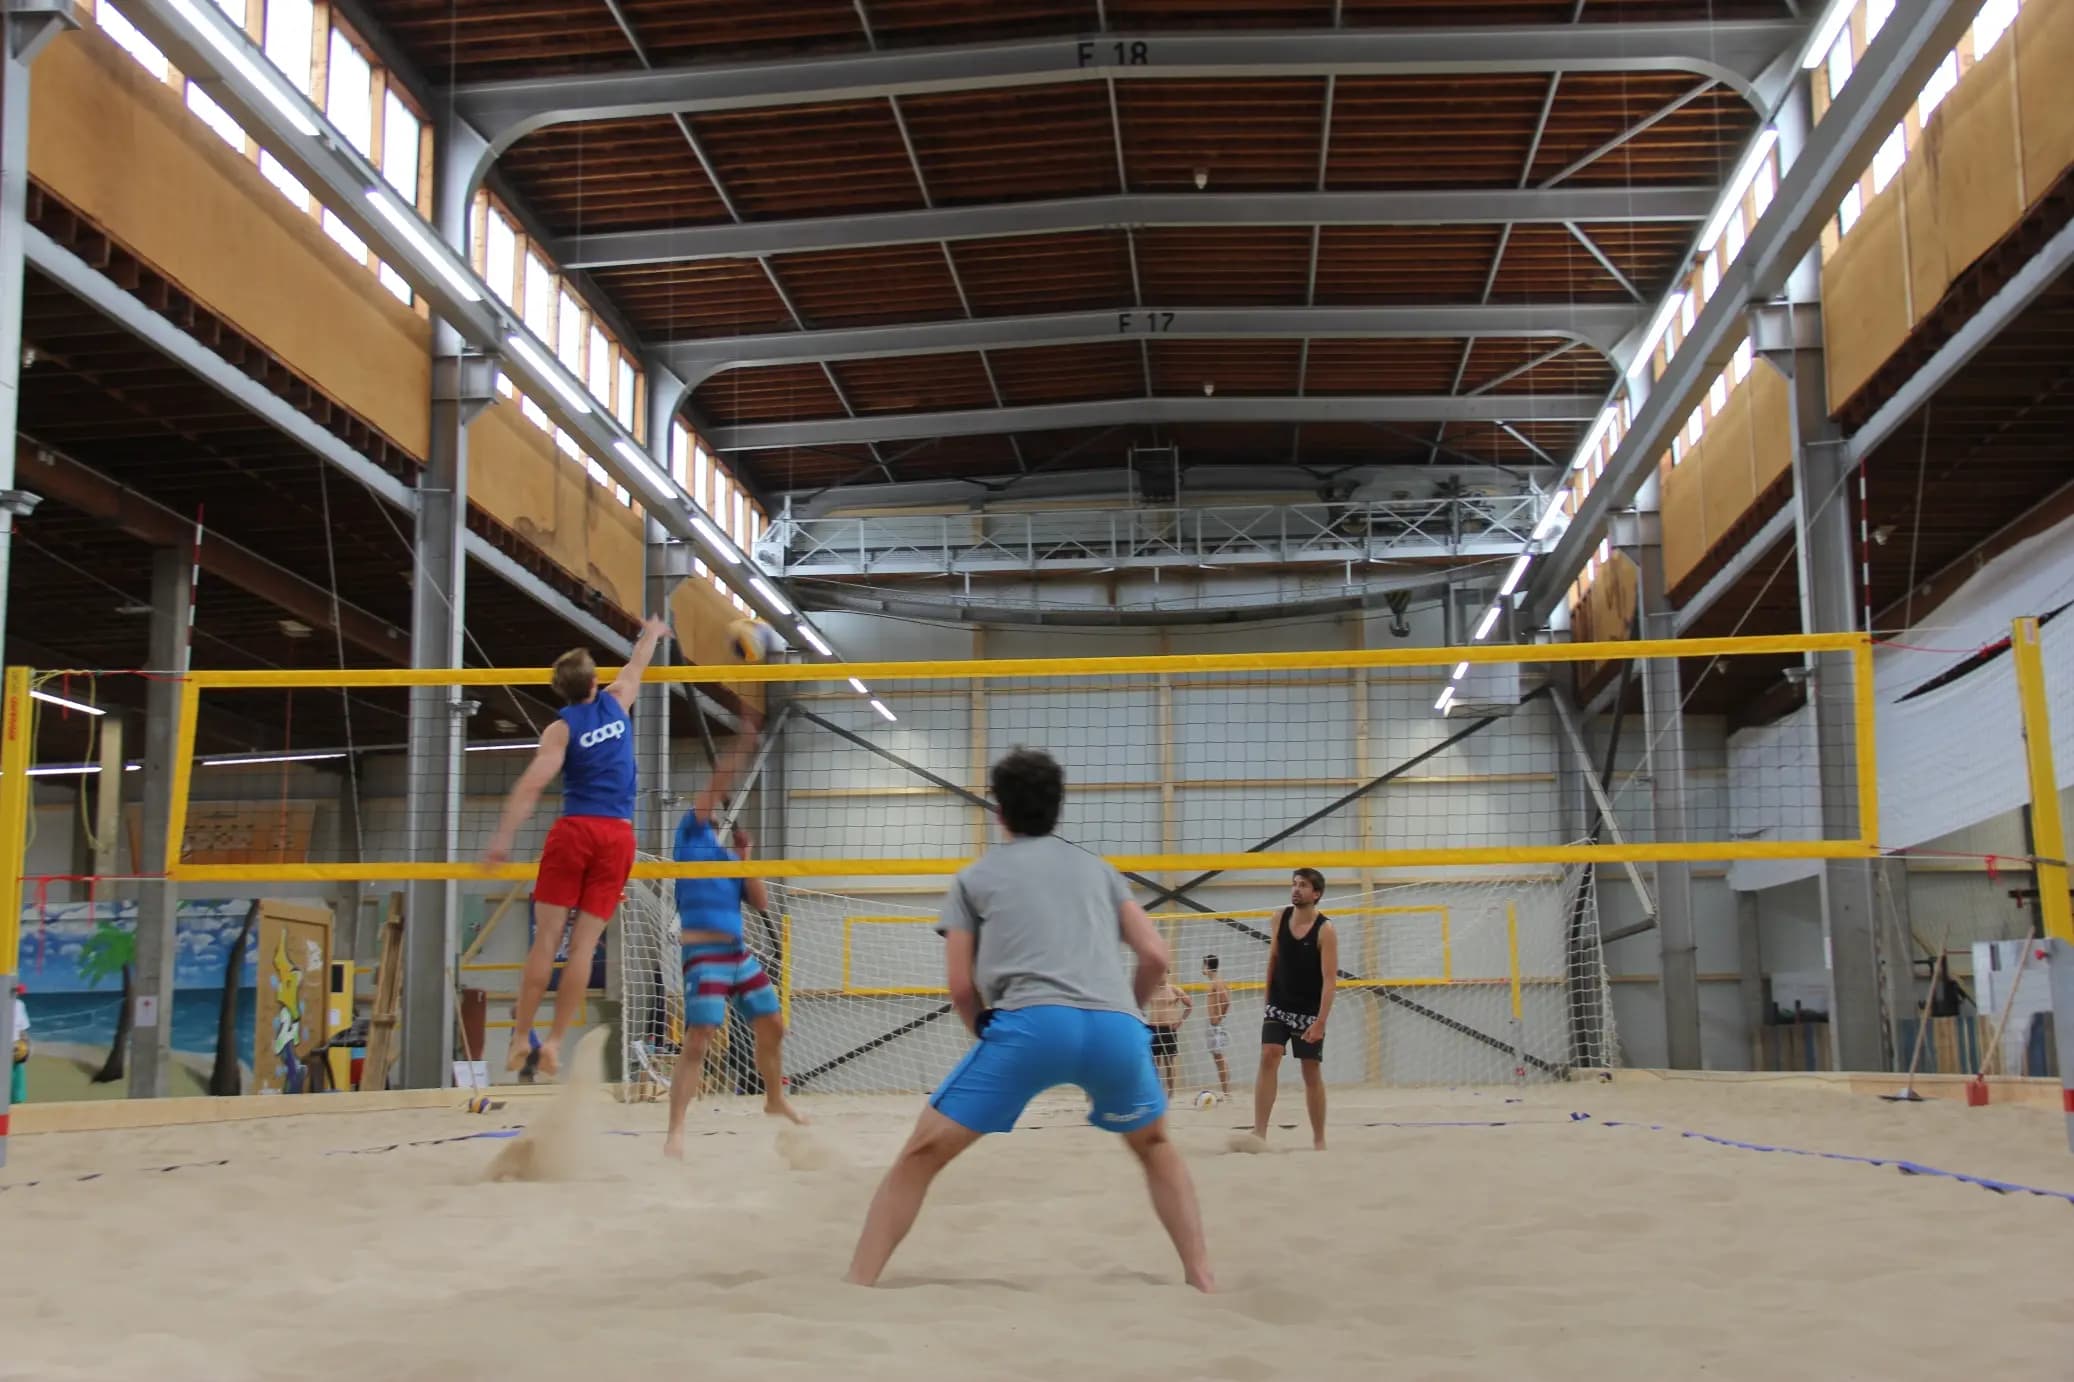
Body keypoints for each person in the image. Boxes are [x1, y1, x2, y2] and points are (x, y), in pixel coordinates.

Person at [846, 747, 1214, 1293]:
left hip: (1032, 1028)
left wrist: (982, 1030)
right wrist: (1129, 1014)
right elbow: (1156, 956)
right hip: (1115, 1028)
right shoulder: (1100, 871)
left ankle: (858, 1281)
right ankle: (1202, 1278)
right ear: (1059, 807)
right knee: (1156, 1147)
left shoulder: (975, 877)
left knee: (921, 1153)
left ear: (999, 810)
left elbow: (960, 986)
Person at [485, 615, 670, 1077]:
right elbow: (638, 661)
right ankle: (553, 1044)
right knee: (584, 949)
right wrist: (651, 633)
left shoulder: (560, 729)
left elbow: (531, 786)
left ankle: (517, 1041)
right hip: (617, 836)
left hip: (575, 832)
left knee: (546, 942)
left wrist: (502, 840)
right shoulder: (618, 701)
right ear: (593, 681)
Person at [663, 727, 803, 1158]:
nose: (710, 812)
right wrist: (744, 743)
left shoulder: (727, 859)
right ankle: (676, 1131)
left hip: (737, 954)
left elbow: (759, 902)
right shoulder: (689, 838)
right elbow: (717, 783)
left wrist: (746, 862)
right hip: (704, 956)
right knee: (699, 1038)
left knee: (773, 1025)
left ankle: (774, 1098)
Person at [1250, 868, 1337, 1151]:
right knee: (1268, 1055)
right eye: (1294, 884)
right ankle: (1259, 1133)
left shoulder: (1326, 929)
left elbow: (1329, 980)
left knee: (1310, 1071)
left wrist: (1321, 1022)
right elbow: (1273, 960)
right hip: (1278, 1003)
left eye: (1303, 885)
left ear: (1317, 893)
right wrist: (1267, 1002)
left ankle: (1319, 1140)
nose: (1296, 889)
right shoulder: (1279, 918)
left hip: (1309, 1011)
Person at [1144, 978, 1191, 1095]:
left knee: (1169, 1062)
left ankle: (1171, 1091)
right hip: (1153, 1028)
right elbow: (1138, 1005)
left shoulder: (1174, 990)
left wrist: (1180, 1021)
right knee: (1154, 1062)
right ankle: (1155, 1090)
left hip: (1168, 1029)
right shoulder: (1150, 989)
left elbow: (1189, 1005)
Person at [1201, 955, 1231, 1097]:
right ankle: (1225, 1091)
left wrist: (1220, 1017)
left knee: (1219, 1057)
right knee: (1217, 1057)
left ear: (1207, 965)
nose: (1202, 969)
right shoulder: (1214, 981)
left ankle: (1226, 1092)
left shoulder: (1217, 982)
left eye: (1203, 965)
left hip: (1216, 1026)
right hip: (1213, 1024)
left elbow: (1226, 1000)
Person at [10, 983, 28, 1106]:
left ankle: (17, 1099)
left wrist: (26, 1045)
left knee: (17, 1072)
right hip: (10, 1043)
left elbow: (22, 1029)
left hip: (15, 1044)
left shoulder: (19, 1005)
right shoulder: (18, 1005)